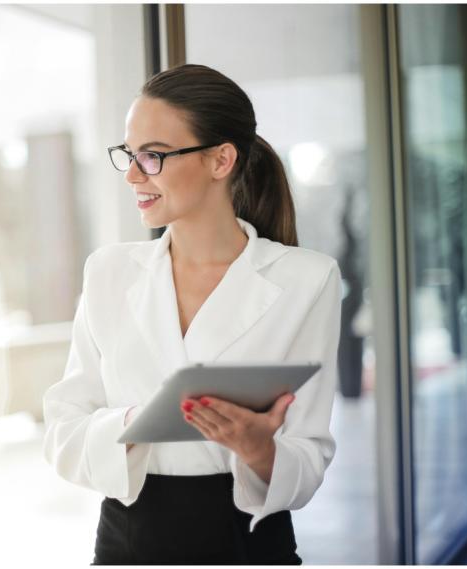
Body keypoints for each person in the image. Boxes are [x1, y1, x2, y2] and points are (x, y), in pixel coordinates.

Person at [42, 63, 342, 565]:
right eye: (129, 155)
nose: (134, 175)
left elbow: (310, 454)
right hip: (127, 545)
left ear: (221, 159)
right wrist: (140, 422)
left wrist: (258, 449)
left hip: (247, 545)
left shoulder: (307, 279)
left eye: (154, 156)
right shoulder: (109, 272)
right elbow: (63, 433)